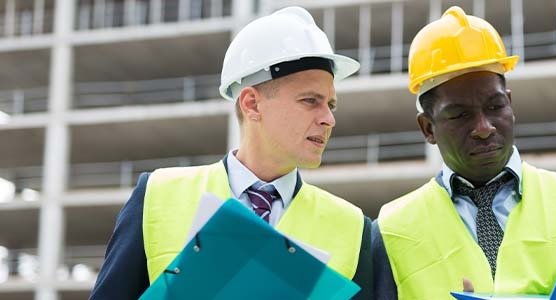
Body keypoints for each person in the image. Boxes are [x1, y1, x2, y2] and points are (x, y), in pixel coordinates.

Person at [372, 6, 556, 300]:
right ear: (427, 128)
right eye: (459, 115)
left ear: (510, 104)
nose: (483, 127)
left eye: (495, 107)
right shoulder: (392, 231)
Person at [90, 7, 373, 300]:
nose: (329, 119)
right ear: (251, 104)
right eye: (310, 101)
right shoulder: (156, 196)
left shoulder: (353, 227)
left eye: (331, 105)